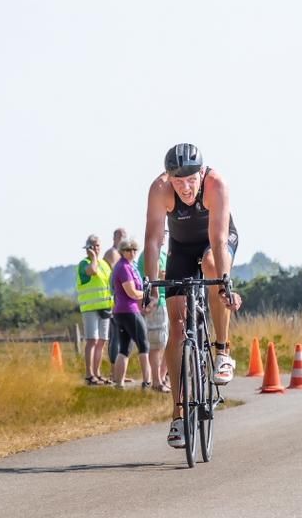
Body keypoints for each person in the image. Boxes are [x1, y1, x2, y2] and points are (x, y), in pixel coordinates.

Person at [143, 143, 239, 449]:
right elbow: (154, 240)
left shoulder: (216, 184)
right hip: (181, 250)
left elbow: (219, 238)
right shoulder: (159, 189)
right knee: (178, 322)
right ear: (168, 177)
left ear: (201, 173)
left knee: (212, 265)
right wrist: (149, 283)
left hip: (217, 243)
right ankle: (178, 413)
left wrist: (224, 283)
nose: (185, 187)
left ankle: (222, 351)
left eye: (191, 179)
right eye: (178, 180)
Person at [110, 237, 152, 389]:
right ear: (122, 251)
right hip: (129, 311)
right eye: (128, 250)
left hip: (122, 311)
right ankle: (147, 381)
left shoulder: (128, 266)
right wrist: (147, 294)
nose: (132, 252)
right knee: (144, 345)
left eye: (135, 249)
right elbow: (132, 293)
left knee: (125, 348)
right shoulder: (124, 268)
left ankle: (119, 383)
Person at [74, 235, 112, 384]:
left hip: (105, 307)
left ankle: (97, 373)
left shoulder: (104, 264)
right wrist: (94, 258)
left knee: (102, 341)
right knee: (92, 340)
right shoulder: (84, 263)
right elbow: (92, 271)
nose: (96, 249)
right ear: (88, 248)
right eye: (93, 246)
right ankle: (89, 375)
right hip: (90, 308)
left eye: (98, 246)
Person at [138, 235, 170, 391]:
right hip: (155, 302)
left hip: (168, 300)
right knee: (157, 343)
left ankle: (162, 376)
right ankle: (156, 381)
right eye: (162, 232)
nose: (164, 236)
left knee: (169, 341)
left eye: (165, 232)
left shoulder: (164, 254)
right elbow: (142, 278)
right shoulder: (147, 255)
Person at [104, 227, 127, 365]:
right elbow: (116, 277)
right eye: (121, 236)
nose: (124, 239)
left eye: (125, 236)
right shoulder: (113, 253)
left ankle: (119, 370)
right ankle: (114, 371)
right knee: (115, 336)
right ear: (115, 238)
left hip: (122, 299)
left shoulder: (121, 254)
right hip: (115, 299)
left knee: (122, 335)